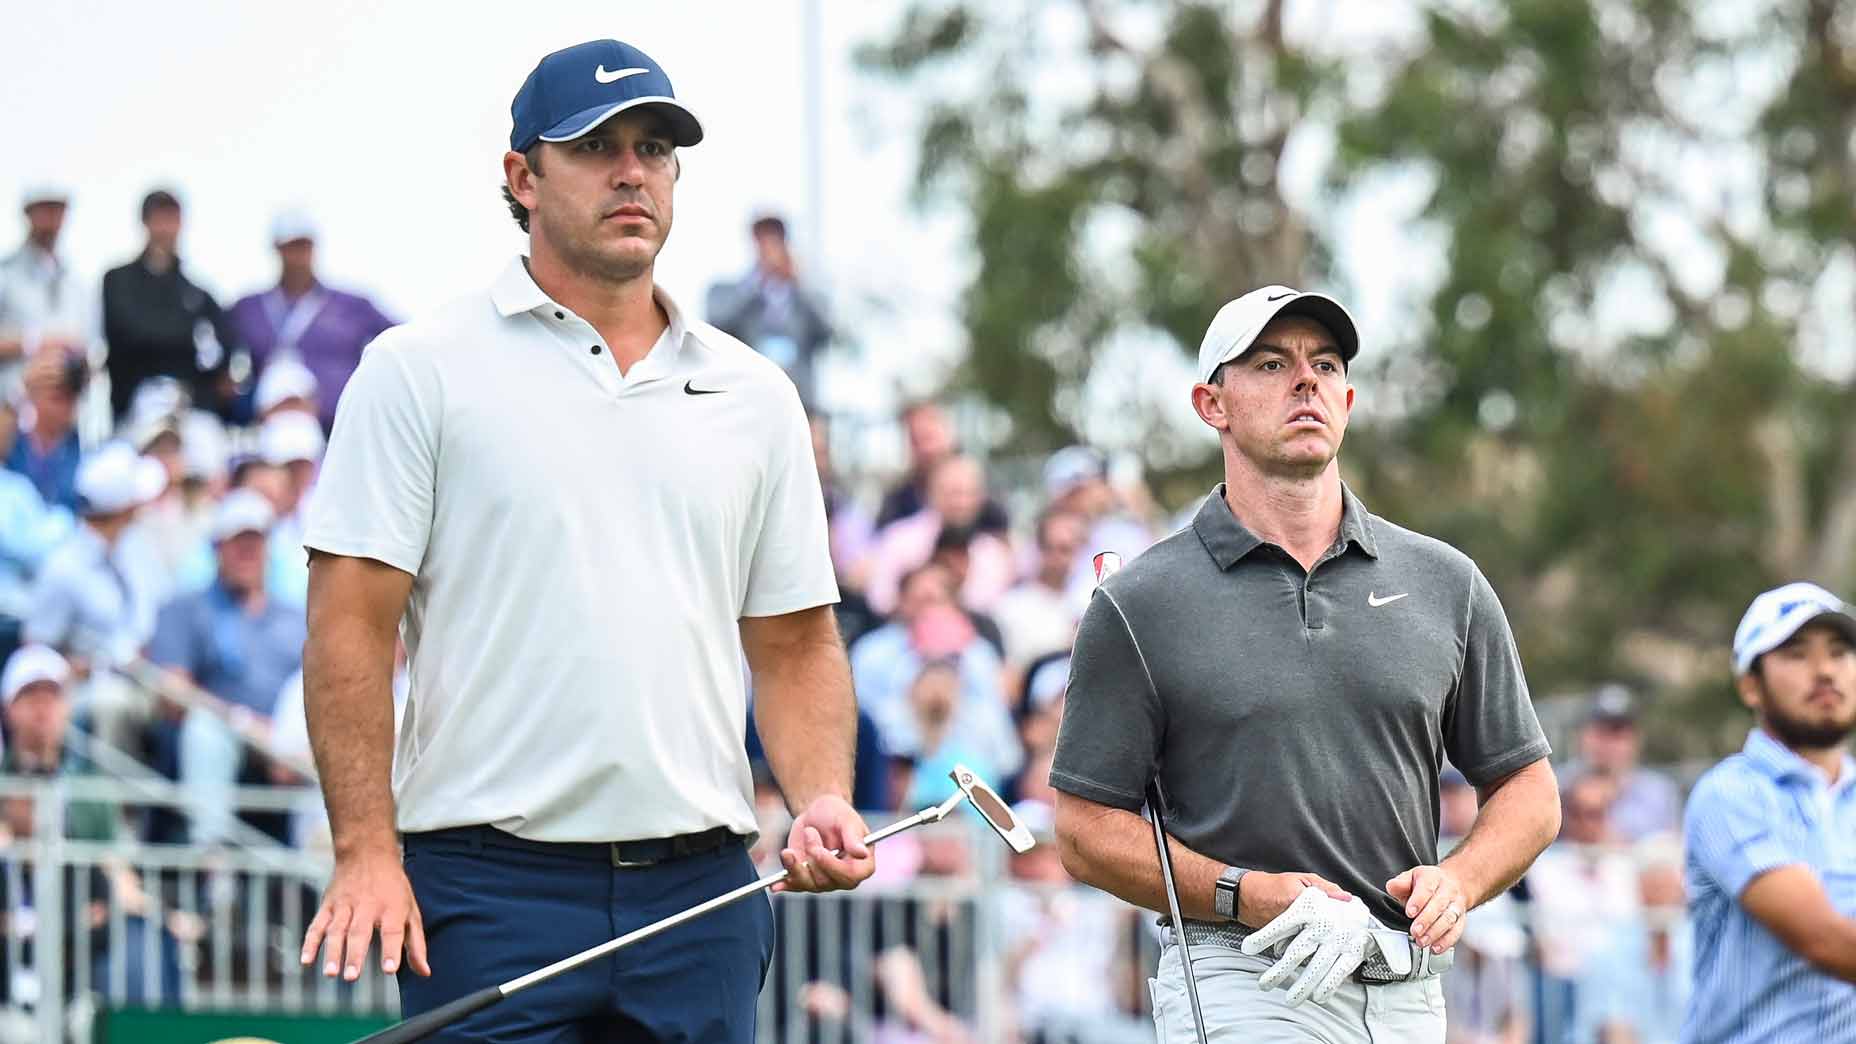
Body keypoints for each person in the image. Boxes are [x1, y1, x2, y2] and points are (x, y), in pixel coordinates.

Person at [294, 39, 874, 1043]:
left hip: (699, 896)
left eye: (653, 149)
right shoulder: (417, 369)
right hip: (486, 892)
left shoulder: (755, 394)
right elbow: (348, 626)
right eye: (595, 146)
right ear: (521, 177)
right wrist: (364, 851)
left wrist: (821, 792)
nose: (629, 171)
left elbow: (793, 642)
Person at [1050, 284, 1560, 1041]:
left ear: (1347, 401)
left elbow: (1529, 789)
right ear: (1211, 404)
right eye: (1269, 363)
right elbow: (1083, 829)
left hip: (1406, 983)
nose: (1305, 381)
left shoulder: (1445, 581)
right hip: (1242, 970)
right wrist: (1243, 893)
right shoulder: (1139, 603)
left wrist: (1459, 881)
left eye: (1324, 364)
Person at [1681, 582, 1856, 1042]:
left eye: (1839, 653)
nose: (1824, 672)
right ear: (1751, 686)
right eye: (1797, 654)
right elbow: (1825, 940)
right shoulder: (1729, 795)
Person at [146, 490, 305, 846]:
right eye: (238, 543)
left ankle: (320, 868)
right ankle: (213, 863)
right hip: (222, 733)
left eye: (256, 542)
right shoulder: (186, 608)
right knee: (205, 732)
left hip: (289, 737)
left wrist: (283, 735)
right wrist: (244, 723)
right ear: (217, 548)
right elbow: (172, 694)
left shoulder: (296, 617)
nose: (248, 553)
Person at [226, 209, 393, 432]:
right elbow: (220, 357)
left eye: (304, 246)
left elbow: (398, 342)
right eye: (291, 247)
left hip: (337, 427)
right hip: (269, 427)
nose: (298, 256)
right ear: (277, 249)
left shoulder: (351, 307)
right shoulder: (249, 308)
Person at [100, 189, 235, 421]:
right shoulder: (118, 280)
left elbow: (227, 344)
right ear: (145, 222)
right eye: (159, 219)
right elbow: (128, 335)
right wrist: (185, 334)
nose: (165, 228)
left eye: (171, 219)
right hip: (134, 408)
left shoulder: (196, 292)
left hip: (189, 406)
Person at [705, 214, 832, 405]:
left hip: (800, 400)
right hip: (749, 397)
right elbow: (718, 324)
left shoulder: (804, 294)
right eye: (763, 239)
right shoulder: (734, 290)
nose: (769, 246)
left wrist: (797, 283)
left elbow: (827, 332)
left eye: (775, 238)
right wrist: (757, 283)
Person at [1576, 836, 1690, 1044]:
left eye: (1666, 884)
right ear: (1640, 887)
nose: (1660, 895)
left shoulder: (1696, 947)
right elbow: (1612, 1031)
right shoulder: (1610, 949)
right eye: (1653, 885)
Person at [0, 184, 94, 402]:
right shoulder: (6, 275)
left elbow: (88, 348)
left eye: (57, 209)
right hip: (13, 409)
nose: (51, 218)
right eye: (45, 209)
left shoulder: (77, 283)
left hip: (64, 412)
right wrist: (36, 342)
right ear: (29, 213)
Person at [1559, 684, 1682, 842]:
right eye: (1599, 731)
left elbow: (1669, 850)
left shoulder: (1659, 793)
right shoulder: (1557, 785)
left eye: (1617, 732)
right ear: (1582, 735)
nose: (1607, 742)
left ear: (1636, 739)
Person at [992, 507, 1087, 676]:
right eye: (1050, 548)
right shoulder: (1010, 607)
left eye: (1065, 549)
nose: (1057, 558)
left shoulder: (1090, 603)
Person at [5, 349, 85, 510]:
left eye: (71, 398)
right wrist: (19, 391)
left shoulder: (83, 444)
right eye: (56, 398)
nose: (65, 407)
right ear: (35, 395)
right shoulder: (15, 438)